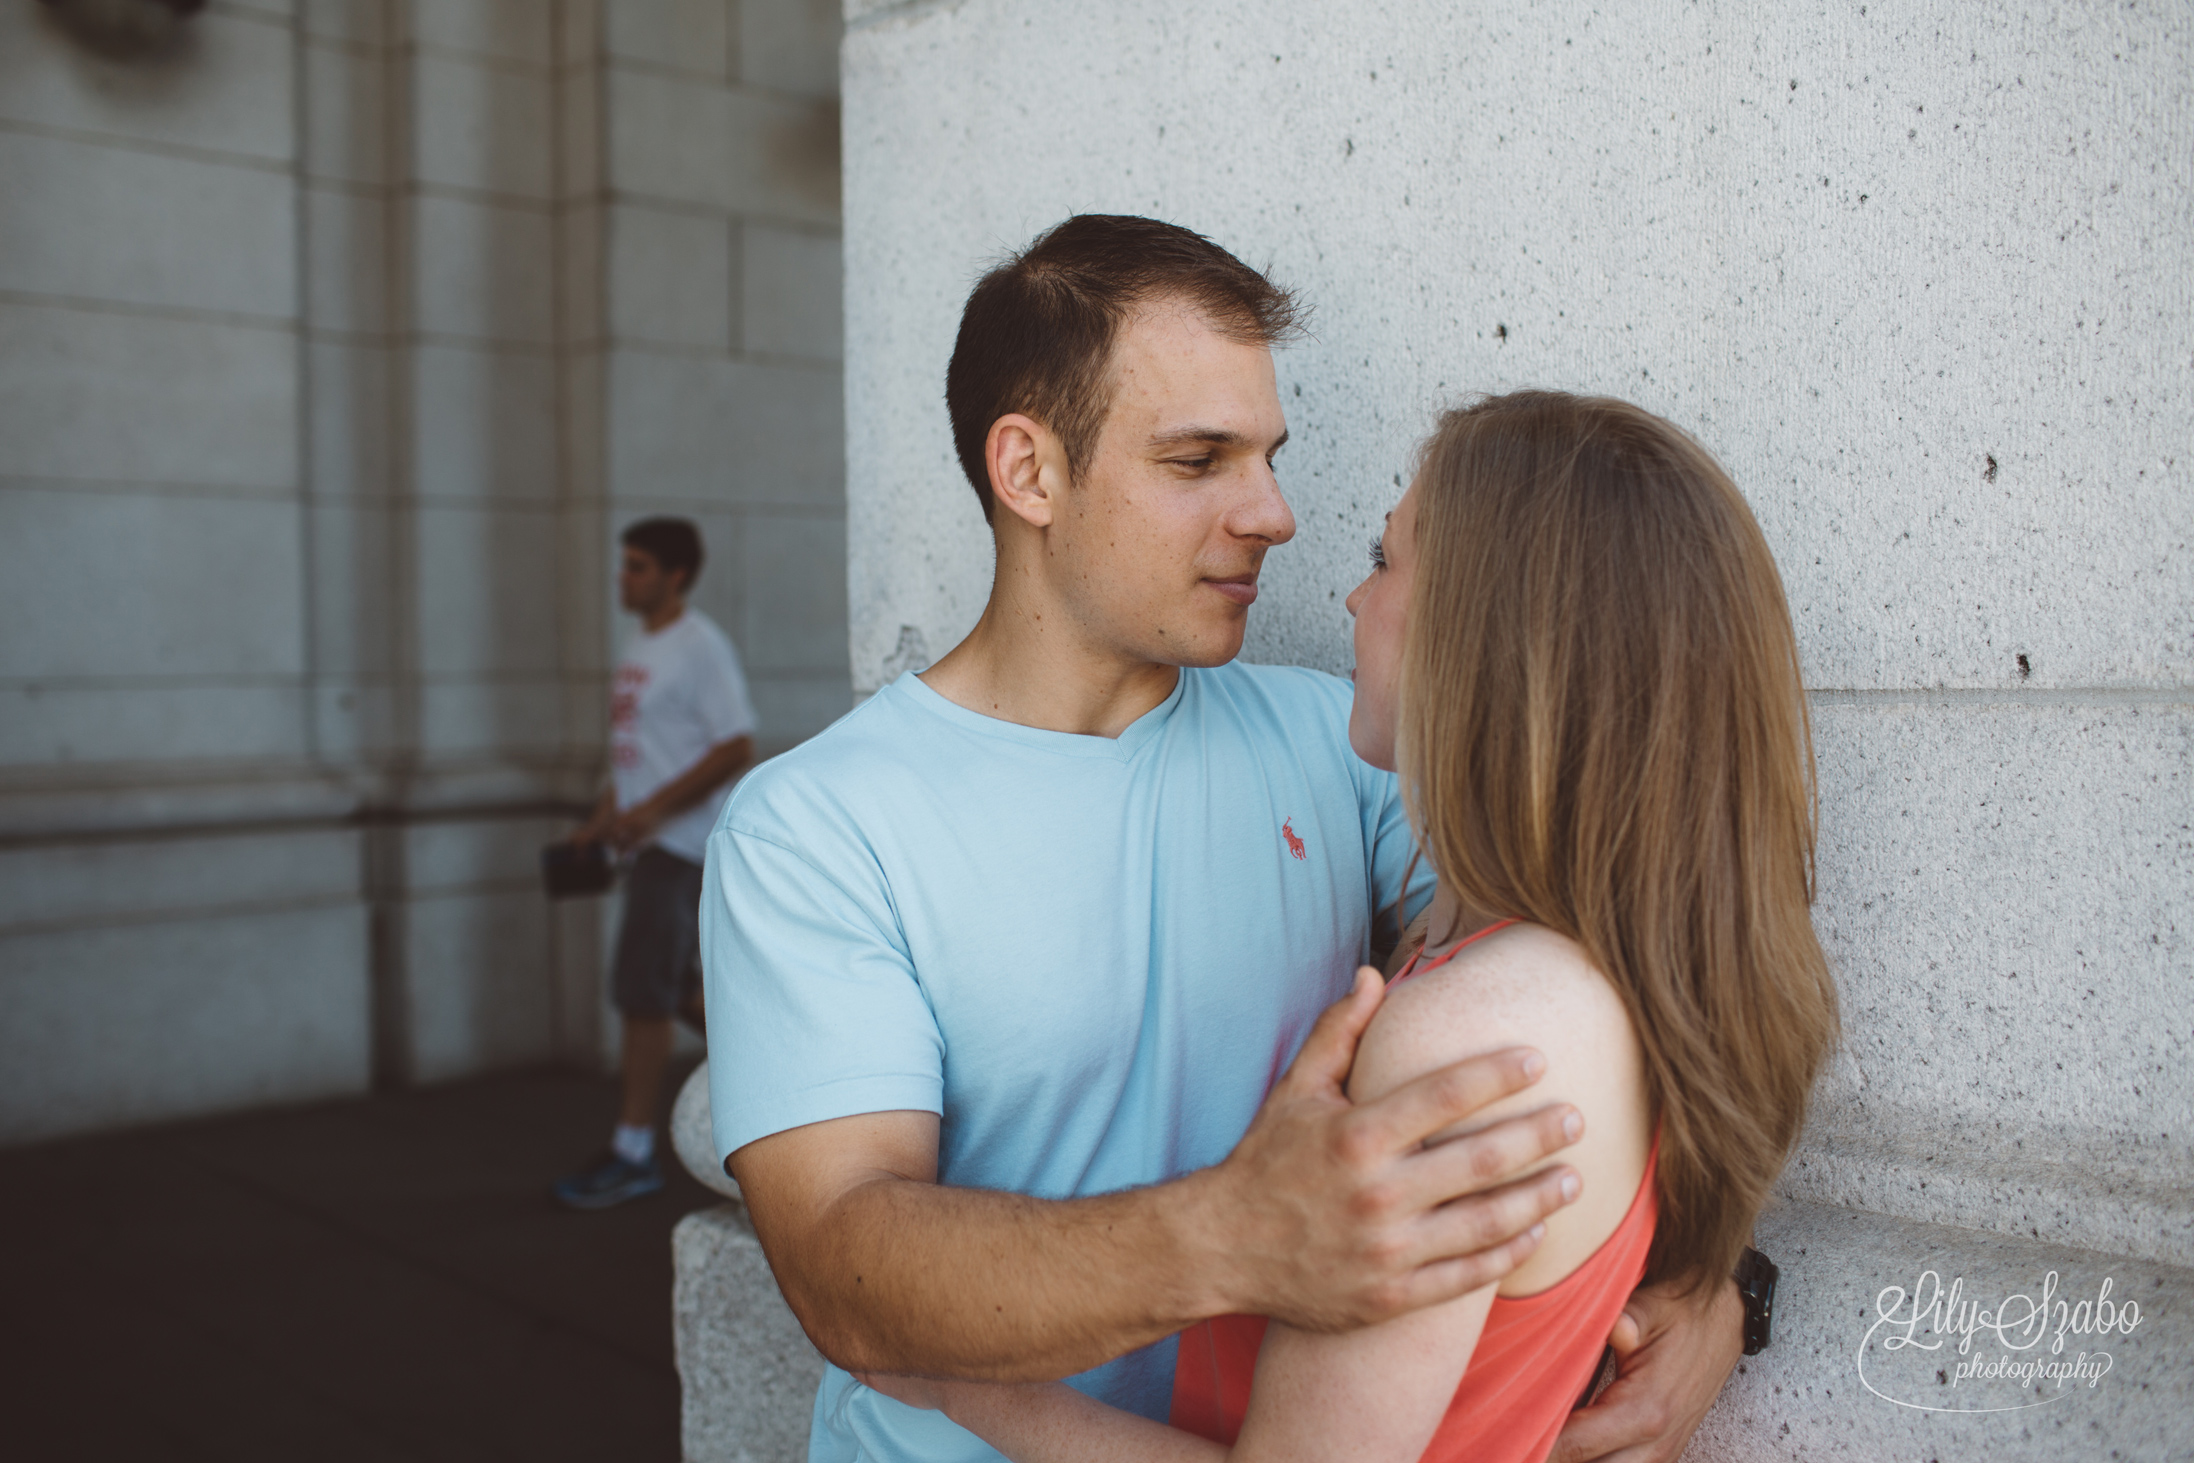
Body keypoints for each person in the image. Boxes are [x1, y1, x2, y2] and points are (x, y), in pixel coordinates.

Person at [703, 216, 1747, 1463]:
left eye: (1267, 455)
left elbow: (1605, 994)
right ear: (1028, 473)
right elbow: (838, 1267)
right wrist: (1229, 1235)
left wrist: (1710, 1283)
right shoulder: (814, 825)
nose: (1275, 514)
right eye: (1198, 460)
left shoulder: (1339, 740)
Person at [859, 390, 1841, 1462]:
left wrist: (960, 1377)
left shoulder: (1468, 1037)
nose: (1348, 594)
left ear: (1489, 632)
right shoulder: (1568, 956)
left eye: (1384, 558)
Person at [556, 517, 756, 1209]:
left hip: (679, 848)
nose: (624, 577)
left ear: (676, 575)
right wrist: (607, 815)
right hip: (647, 843)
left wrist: (654, 813)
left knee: (644, 994)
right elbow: (641, 754)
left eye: (638, 566)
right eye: (624, 565)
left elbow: (735, 745)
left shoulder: (700, 647)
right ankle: (788, 1059)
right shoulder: (642, 643)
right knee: (672, 990)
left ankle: (632, 1151)